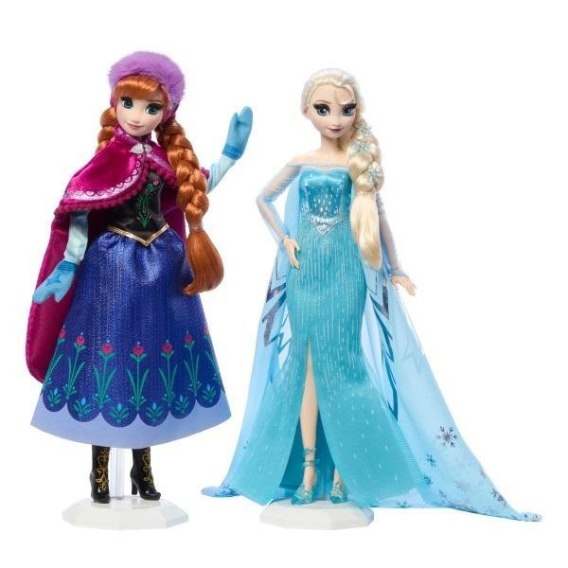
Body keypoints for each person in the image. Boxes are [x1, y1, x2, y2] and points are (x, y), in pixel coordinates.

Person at [203, 68, 538, 522]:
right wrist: (284, 239)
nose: (335, 119)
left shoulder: (358, 167)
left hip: (346, 274)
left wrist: (396, 269)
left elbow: (380, 221)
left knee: (345, 366)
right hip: (305, 274)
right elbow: (263, 199)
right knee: (305, 367)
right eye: (324, 109)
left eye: (345, 110)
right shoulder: (302, 161)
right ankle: (308, 470)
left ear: (357, 112)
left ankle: (346, 469)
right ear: (306, 111)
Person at [26, 51, 252, 503]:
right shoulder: (104, 161)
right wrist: (68, 265)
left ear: (166, 113)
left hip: (162, 269)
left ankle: (142, 468)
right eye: (128, 103)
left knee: (147, 365)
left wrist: (230, 155)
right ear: (115, 103)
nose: (137, 115)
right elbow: (79, 214)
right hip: (112, 271)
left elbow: (196, 188)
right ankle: (100, 471)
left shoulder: (165, 158)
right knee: (106, 364)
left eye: (151, 108)